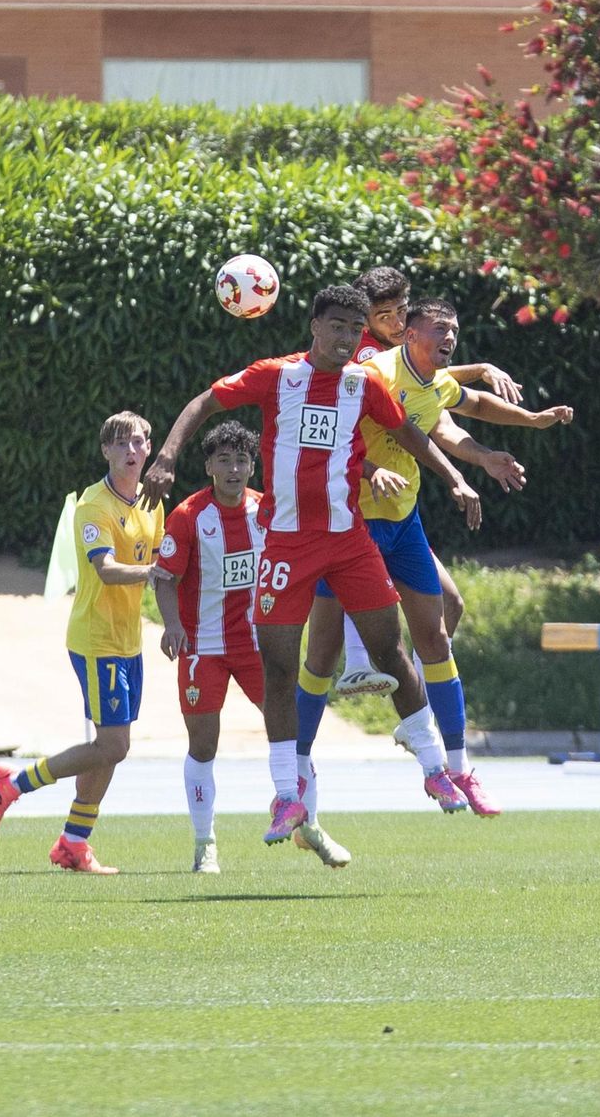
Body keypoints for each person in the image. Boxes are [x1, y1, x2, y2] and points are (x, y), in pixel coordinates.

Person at [140, 284, 482, 859]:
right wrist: (170, 452)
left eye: (356, 328)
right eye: (338, 327)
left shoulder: (364, 382)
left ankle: (432, 765)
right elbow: (204, 402)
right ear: (316, 327)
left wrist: (453, 478)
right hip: (286, 545)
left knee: (389, 652)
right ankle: (285, 796)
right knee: (280, 667)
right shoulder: (277, 376)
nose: (349, 338)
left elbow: (408, 433)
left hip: (349, 542)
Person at [297, 297, 575, 816]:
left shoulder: (434, 383)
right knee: (321, 654)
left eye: (455, 329)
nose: (450, 337)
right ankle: (292, 777)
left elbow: (465, 409)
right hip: (349, 524)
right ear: (407, 333)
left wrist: (525, 426)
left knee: (436, 636)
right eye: (439, 328)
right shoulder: (370, 372)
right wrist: (368, 472)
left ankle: (459, 766)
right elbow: (325, 437)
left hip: (401, 525)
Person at [152, 420, 352, 873]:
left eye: (241, 460)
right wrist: (171, 625)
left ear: (251, 465)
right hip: (202, 645)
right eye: (223, 460)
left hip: (259, 646)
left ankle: (313, 826)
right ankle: (205, 845)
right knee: (203, 745)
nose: (234, 468)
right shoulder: (188, 517)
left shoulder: (267, 510)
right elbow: (164, 578)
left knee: (293, 735)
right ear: (208, 467)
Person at [0, 411, 165, 874]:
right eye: (120, 443)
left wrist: (179, 618)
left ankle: (73, 843)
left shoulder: (152, 504)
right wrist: (154, 573)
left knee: (109, 747)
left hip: (129, 640)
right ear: (105, 451)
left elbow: (162, 566)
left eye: (139, 442)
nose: (131, 451)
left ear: (149, 449)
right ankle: (13, 784)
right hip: (95, 639)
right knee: (114, 745)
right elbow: (106, 569)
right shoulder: (92, 506)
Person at [333, 266, 524, 699]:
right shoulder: (366, 360)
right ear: (365, 319)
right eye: (386, 315)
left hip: (398, 506)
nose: (399, 323)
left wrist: (486, 381)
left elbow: (439, 400)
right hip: (357, 502)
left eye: (403, 310)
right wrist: (478, 370)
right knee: (332, 635)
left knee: (451, 605)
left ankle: (418, 690)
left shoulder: (405, 354)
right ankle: (359, 673)